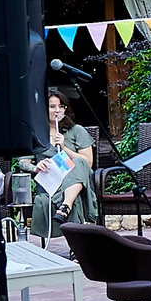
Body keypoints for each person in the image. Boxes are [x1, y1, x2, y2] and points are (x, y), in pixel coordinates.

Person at [25, 90, 97, 240]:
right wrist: (36, 167)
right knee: (73, 194)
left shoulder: (77, 130)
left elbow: (87, 162)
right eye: (52, 106)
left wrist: (64, 148)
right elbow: (23, 162)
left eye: (61, 106)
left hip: (79, 179)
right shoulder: (35, 134)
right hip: (51, 182)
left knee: (77, 163)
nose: (57, 110)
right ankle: (76, 247)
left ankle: (66, 204)